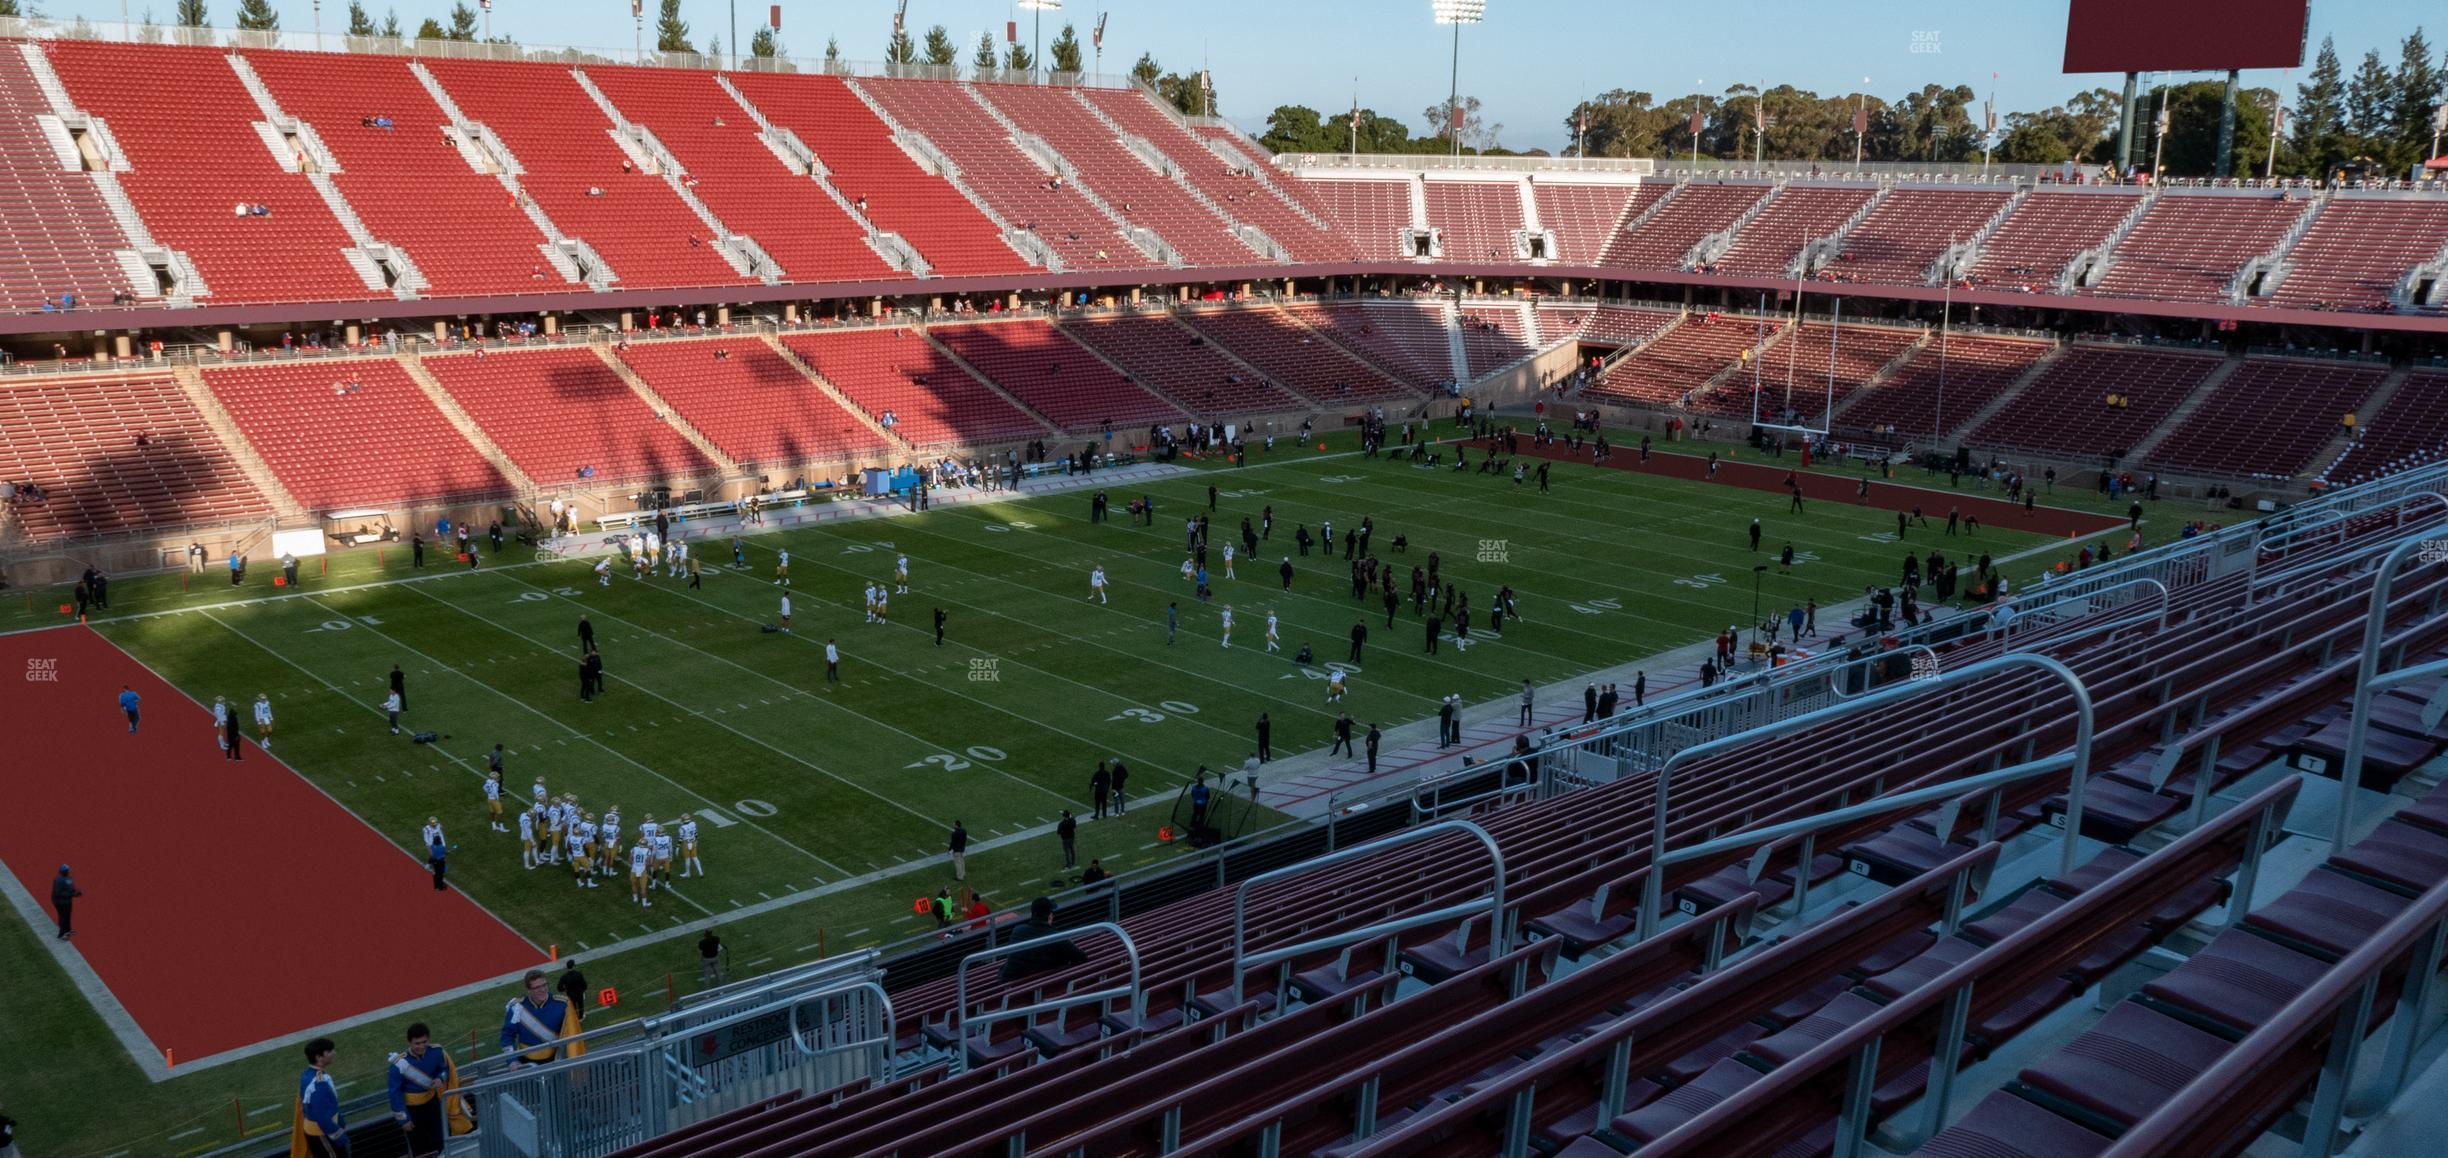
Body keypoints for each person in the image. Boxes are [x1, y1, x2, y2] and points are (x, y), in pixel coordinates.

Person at [385, 1022, 459, 1156]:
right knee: (418, 1146)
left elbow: (444, 1069)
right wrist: (403, 1119)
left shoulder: (436, 1051)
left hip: (433, 1103)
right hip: (412, 1111)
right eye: (417, 1043)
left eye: (424, 1042)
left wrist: (440, 1078)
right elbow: (394, 1094)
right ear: (409, 1042)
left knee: (440, 1138)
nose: (421, 1046)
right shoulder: (399, 1065)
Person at [501, 969, 585, 1065]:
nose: (543, 990)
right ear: (528, 990)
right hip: (526, 1062)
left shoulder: (562, 1005)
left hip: (556, 1059)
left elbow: (572, 1034)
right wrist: (512, 1060)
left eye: (544, 985)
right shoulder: (516, 1008)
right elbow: (507, 1035)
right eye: (537, 987)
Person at [293, 1038, 348, 1157]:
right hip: (324, 1133)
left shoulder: (308, 1074)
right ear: (319, 1057)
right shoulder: (318, 1083)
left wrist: (341, 1122)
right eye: (329, 1051)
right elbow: (321, 1116)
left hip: (322, 1131)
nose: (334, 1053)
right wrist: (339, 1137)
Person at [50, 865, 79, 939]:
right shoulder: (58, 880)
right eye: (65, 871)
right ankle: (62, 934)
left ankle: (68, 930)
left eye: (67, 871)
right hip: (60, 902)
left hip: (67, 901)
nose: (67, 872)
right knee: (63, 917)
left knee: (68, 916)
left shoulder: (68, 878)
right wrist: (72, 894)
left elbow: (72, 887)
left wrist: (76, 892)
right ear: (61, 872)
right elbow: (58, 893)